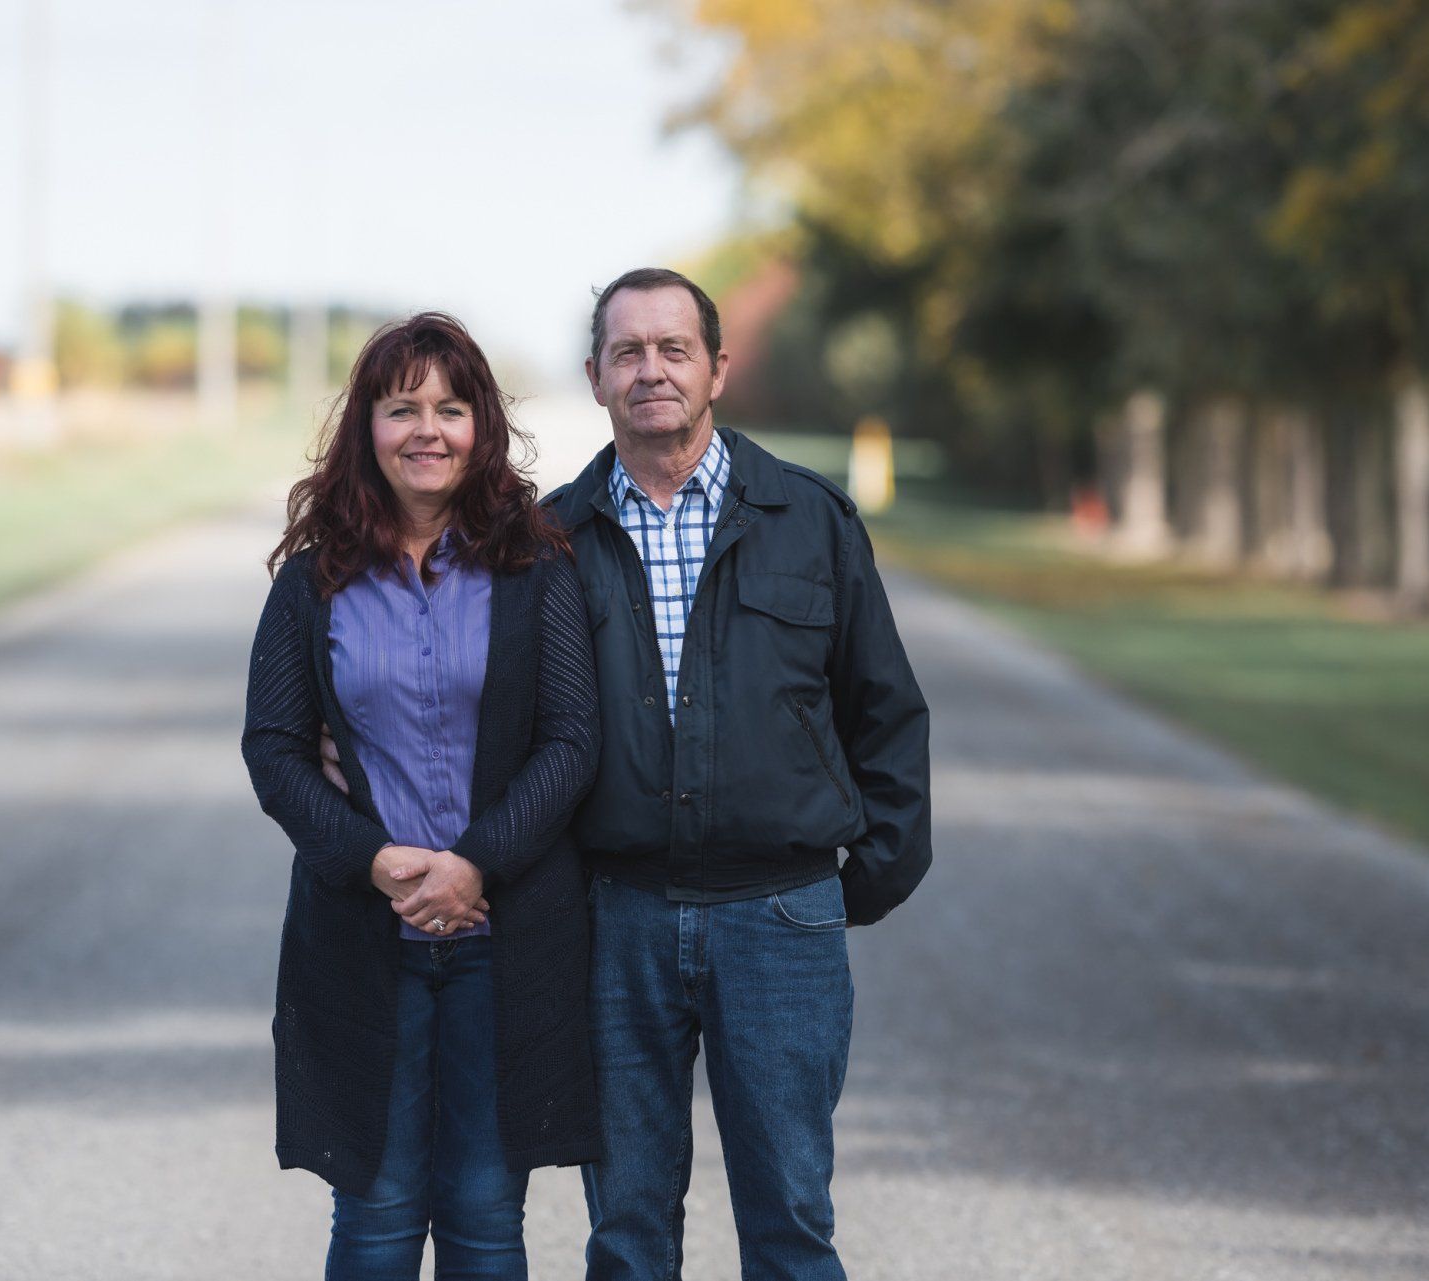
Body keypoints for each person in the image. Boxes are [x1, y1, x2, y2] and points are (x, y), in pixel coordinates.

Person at [548, 268, 932, 1279]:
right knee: (626, 1234)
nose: (652, 370)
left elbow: (886, 710)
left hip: (780, 919)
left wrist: (857, 883)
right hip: (614, 922)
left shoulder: (810, 517)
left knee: (791, 1222)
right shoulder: (549, 540)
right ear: (595, 376)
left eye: (674, 348)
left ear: (717, 368)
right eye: (628, 352)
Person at [241, 312, 602, 1279]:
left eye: (450, 407)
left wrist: (474, 863)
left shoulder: (536, 567)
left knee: (484, 1217)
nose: (427, 430)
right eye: (402, 408)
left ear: (481, 424)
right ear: (366, 426)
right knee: (376, 1215)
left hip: (506, 939)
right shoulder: (313, 580)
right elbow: (273, 749)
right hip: (364, 937)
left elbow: (573, 741)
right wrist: (372, 859)